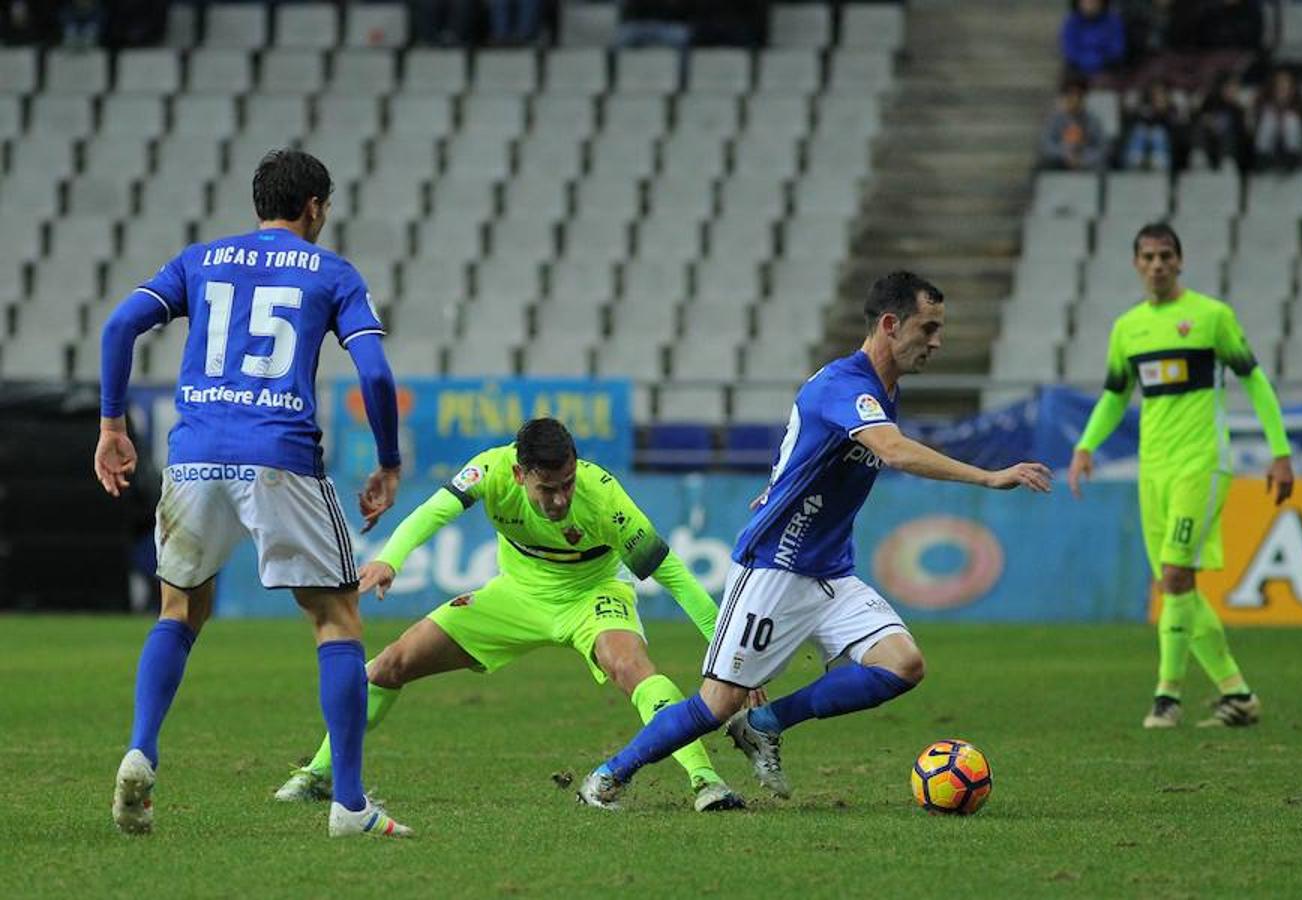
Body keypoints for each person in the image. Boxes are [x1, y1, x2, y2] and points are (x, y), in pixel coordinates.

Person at [576, 272, 1053, 810]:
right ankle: (609, 776)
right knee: (715, 702)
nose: (937, 341)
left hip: (829, 570)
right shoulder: (843, 386)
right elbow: (892, 452)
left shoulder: (883, 390)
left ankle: (765, 724)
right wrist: (988, 476)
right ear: (891, 324)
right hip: (775, 566)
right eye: (929, 327)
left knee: (902, 664)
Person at [96, 149, 411, 838]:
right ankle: (350, 806)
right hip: (280, 456)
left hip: (195, 455)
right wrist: (388, 460)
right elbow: (378, 376)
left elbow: (119, 325)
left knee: (179, 609)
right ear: (316, 207)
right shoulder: (334, 273)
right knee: (335, 615)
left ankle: (142, 749)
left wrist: (112, 424)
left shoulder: (199, 259)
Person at [274, 417, 750, 813]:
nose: (561, 499)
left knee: (631, 667)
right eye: (548, 488)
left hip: (593, 593)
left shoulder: (604, 497)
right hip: (516, 596)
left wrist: (722, 645)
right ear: (521, 475)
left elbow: (672, 573)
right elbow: (434, 512)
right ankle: (320, 773)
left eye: (567, 483)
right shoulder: (491, 471)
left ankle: (705, 781)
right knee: (390, 663)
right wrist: (389, 558)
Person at [1068, 223, 1294, 730]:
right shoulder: (1128, 328)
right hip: (1155, 470)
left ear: (1180, 260)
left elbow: (1254, 382)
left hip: (1203, 463)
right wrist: (1086, 445)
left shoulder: (1212, 317)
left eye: (1165, 255)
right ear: (1135, 264)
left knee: (1173, 576)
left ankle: (1166, 698)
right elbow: (1114, 395)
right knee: (1177, 586)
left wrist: (1280, 452)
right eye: (1147, 256)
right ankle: (1238, 694)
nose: (1157, 265)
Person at [1251, 67, 1302, 171]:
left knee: (1291, 119)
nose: (1283, 88)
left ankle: (1291, 157)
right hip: (1271, 148)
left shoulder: (1301, 106)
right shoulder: (1264, 104)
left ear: (1293, 88)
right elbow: (1254, 128)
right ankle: (1262, 157)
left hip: (1297, 150)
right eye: (1279, 85)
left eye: (1286, 85)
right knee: (1269, 117)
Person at [1040, 76, 1109, 170]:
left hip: (1086, 162)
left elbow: (1102, 148)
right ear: (1065, 98)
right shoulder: (1055, 119)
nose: (1075, 100)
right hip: (1060, 161)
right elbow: (1047, 145)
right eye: (1071, 95)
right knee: (1044, 164)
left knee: (1102, 167)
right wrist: (1065, 154)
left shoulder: (1093, 120)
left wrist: (1083, 159)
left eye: (1078, 96)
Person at [1120, 80, 1187, 171]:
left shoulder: (1170, 107)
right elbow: (1136, 120)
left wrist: (1163, 111)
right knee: (1140, 131)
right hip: (1145, 134)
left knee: (1158, 133)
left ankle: (1159, 161)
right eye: (1155, 92)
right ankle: (1135, 160)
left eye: (1160, 92)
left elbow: (1173, 124)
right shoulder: (1145, 105)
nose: (1157, 94)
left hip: (1163, 136)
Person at [1193, 72, 1251, 171]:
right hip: (1209, 143)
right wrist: (1208, 121)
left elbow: (1243, 133)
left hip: (1229, 150)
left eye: (1235, 88)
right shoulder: (1210, 102)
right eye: (1229, 87)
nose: (1232, 91)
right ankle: (1199, 153)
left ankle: (1227, 158)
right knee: (1202, 125)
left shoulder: (1238, 110)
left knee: (1229, 129)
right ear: (1222, 88)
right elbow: (1197, 118)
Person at [1061, 0, 1127, 82]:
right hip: (1078, 69)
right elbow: (1070, 50)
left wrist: (1101, 63)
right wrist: (1087, 62)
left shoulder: (1113, 22)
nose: (1090, 4)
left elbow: (1117, 49)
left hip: (1106, 68)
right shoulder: (1072, 22)